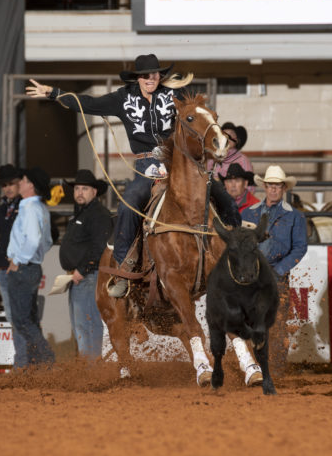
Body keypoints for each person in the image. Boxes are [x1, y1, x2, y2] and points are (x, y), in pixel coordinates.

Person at [26, 53, 240, 297]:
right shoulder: (123, 99)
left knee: (217, 190)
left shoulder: (174, 95)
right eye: (147, 75)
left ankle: (238, 247)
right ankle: (123, 268)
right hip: (145, 165)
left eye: (156, 74)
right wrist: (53, 93)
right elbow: (87, 103)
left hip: (178, 162)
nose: (152, 78)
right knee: (129, 205)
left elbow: (196, 113)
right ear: (137, 78)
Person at [241, 165, 308, 373]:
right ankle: (253, 364)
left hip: (276, 275)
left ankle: (275, 366)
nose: (273, 189)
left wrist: (279, 269)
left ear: (283, 188)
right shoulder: (247, 213)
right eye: (270, 185)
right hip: (251, 275)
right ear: (265, 187)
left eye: (277, 186)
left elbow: (300, 247)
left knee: (276, 322)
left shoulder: (295, 217)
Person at [59, 169, 113, 360]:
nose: (80, 192)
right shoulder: (84, 213)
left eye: (85, 188)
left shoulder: (98, 214)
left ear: (94, 192)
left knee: (87, 323)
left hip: (88, 277)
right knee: (81, 325)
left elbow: (101, 248)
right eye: (77, 189)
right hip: (80, 277)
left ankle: (91, 369)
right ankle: (89, 367)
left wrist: (83, 269)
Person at [6, 166, 55, 368]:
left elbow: (34, 239)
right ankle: (40, 364)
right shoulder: (39, 208)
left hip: (24, 268)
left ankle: (46, 361)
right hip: (32, 267)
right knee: (29, 320)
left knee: (22, 320)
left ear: (30, 186)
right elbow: (47, 241)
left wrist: (18, 260)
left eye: (24, 180)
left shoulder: (29, 208)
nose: (20, 183)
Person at [0, 164, 28, 368]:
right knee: (16, 319)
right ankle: (26, 362)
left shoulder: (24, 205)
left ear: (18, 184)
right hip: (6, 267)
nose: (7, 188)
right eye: (4, 185)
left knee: (21, 318)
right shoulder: (5, 206)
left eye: (11, 184)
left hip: (18, 268)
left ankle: (25, 363)